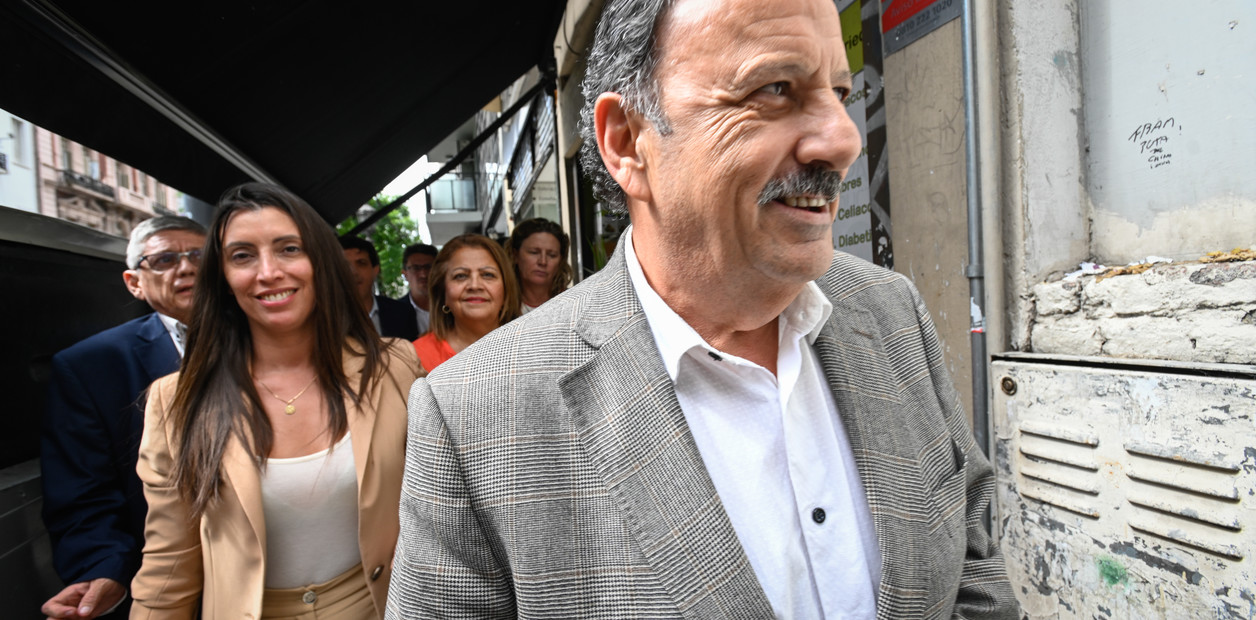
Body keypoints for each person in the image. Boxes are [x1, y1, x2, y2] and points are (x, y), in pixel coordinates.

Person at [387, 0, 1020, 618]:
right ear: (627, 141)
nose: (843, 139)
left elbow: (972, 568)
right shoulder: (475, 413)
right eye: (774, 89)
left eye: (838, 92)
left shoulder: (889, 310)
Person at [130, 183, 423, 619]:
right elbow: (169, 566)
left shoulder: (393, 366)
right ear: (223, 279)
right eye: (242, 256)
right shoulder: (177, 401)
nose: (268, 272)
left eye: (289, 249)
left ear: (320, 262)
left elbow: (441, 505)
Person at [40, 216, 206, 620]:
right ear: (134, 283)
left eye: (201, 256)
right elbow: (82, 487)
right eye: (165, 260)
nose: (187, 268)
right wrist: (102, 567)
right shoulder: (91, 365)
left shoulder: (280, 338)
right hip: (168, 578)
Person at [411, 234, 519, 372]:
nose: (475, 285)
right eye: (461, 276)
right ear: (442, 292)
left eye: (487, 274)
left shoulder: (531, 348)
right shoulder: (416, 358)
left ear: (506, 288)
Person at [340, 236, 419, 340]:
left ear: (375, 270)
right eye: (344, 265)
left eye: (361, 263)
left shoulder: (402, 313)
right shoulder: (324, 318)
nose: (353, 272)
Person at [509, 218, 572, 313]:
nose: (543, 262)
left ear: (561, 261)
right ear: (515, 255)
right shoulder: (500, 306)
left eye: (552, 255)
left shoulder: (574, 305)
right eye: (534, 252)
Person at [400, 243, 437, 335]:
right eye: (416, 268)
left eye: (428, 267)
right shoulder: (394, 313)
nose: (423, 274)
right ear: (405, 274)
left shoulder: (453, 306)